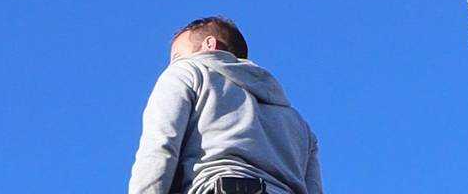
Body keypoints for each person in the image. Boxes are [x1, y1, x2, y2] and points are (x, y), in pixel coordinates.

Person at [126, 16, 323, 194]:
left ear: (210, 44)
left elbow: (160, 148)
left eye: (176, 56)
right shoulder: (299, 124)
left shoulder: (188, 72)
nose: (171, 64)